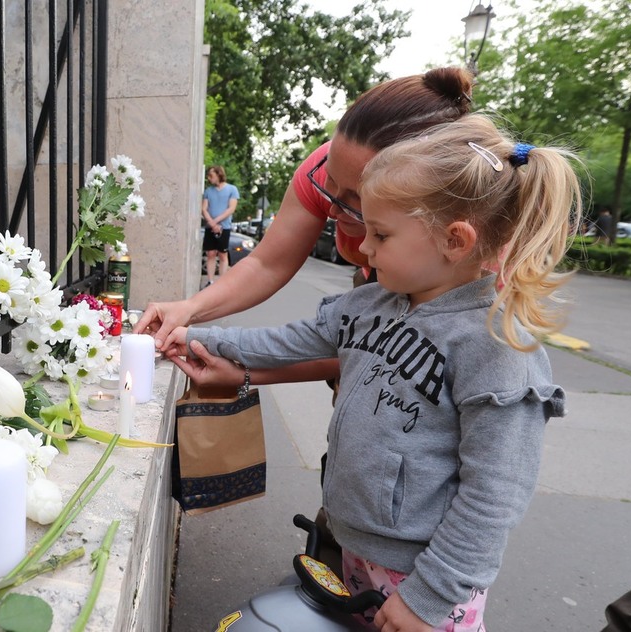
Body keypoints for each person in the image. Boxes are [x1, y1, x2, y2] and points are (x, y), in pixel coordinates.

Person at [166, 114, 583, 631]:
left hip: (425, 582)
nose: (363, 248)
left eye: (381, 235)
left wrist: (429, 597)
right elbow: (286, 340)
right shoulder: (372, 304)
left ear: (455, 241)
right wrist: (197, 336)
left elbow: (494, 493)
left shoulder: (497, 347)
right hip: (354, 552)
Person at [134, 67, 476, 389]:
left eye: (354, 200)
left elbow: (366, 349)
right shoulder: (362, 303)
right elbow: (270, 267)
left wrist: (248, 372)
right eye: (328, 180)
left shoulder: (481, 302)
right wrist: (190, 310)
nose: (329, 207)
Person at [201, 165, 239, 287]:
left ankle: (222, 282)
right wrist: (211, 223)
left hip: (224, 227)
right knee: (210, 253)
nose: (209, 178)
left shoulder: (232, 189)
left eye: (211, 175)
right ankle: (210, 281)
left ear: (219, 175)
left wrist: (216, 221)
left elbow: (231, 208)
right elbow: (204, 209)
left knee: (222, 254)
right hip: (210, 228)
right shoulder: (208, 191)